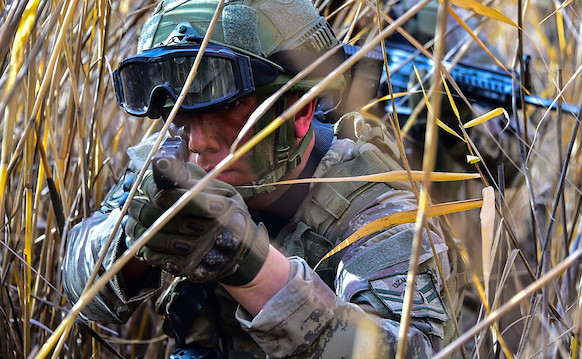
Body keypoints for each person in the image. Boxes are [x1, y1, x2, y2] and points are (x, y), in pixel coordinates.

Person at [62, 0, 463, 357]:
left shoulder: (374, 205)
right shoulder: (174, 154)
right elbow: (79, 288)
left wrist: (248, 265)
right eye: (183, 115)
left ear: (300, 112)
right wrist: (136, 240)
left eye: (231, 107)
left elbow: (415, 349)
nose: (199, 142)